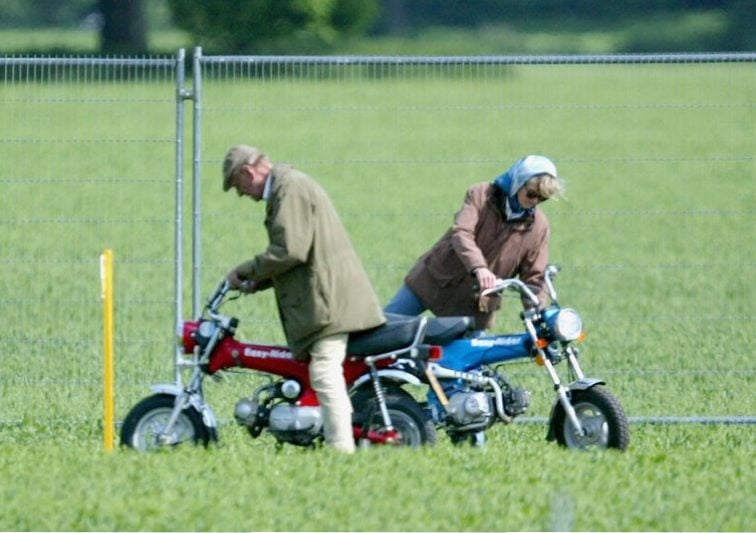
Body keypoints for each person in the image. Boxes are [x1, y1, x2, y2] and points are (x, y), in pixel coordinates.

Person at [222, 144, 385, 454]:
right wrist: (258, 281)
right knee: (320, 373)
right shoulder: (288, 186)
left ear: (248, 172)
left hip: (330, 304)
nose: (241, 194)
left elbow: (290, 250)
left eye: (237, 186)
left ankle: (342, 452)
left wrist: (245, 271)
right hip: (327, 299)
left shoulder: (289, 188)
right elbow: (298, 253)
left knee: (324, 373)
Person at [385, 155, 565, 330]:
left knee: (468, 359)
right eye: (532, 194)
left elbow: (534, 277)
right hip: (435, 281)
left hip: (474, 306)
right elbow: (461, 232)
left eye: (542, 199)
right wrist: (480, 268)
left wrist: (537, 316)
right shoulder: (481, 194)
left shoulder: (539, 227)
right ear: (518, 182)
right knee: (380, 332)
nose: (534, 202)